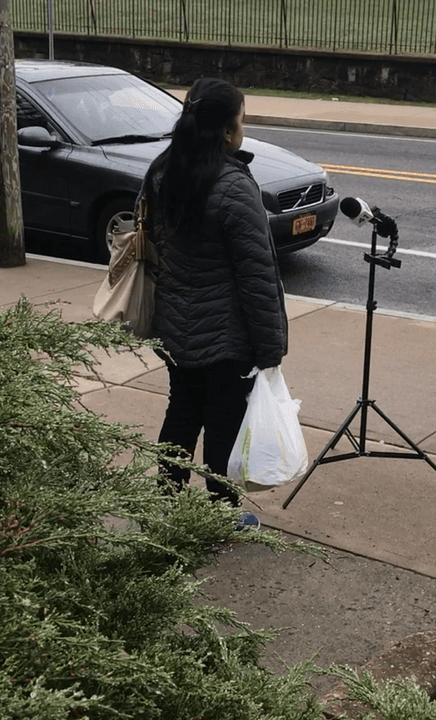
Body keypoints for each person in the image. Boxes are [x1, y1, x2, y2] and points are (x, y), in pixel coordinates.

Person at [143, 78, 288, 529]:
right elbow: (257, 275)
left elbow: (155, 245)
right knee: (224, 423)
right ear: (227, 131)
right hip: (226, 334)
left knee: (181, 414)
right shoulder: (234, 186)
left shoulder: (162, 173)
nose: (243, 129)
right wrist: (270, 349)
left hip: (174, 324)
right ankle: (221, 515)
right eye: (242, 121)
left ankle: (165, 504)